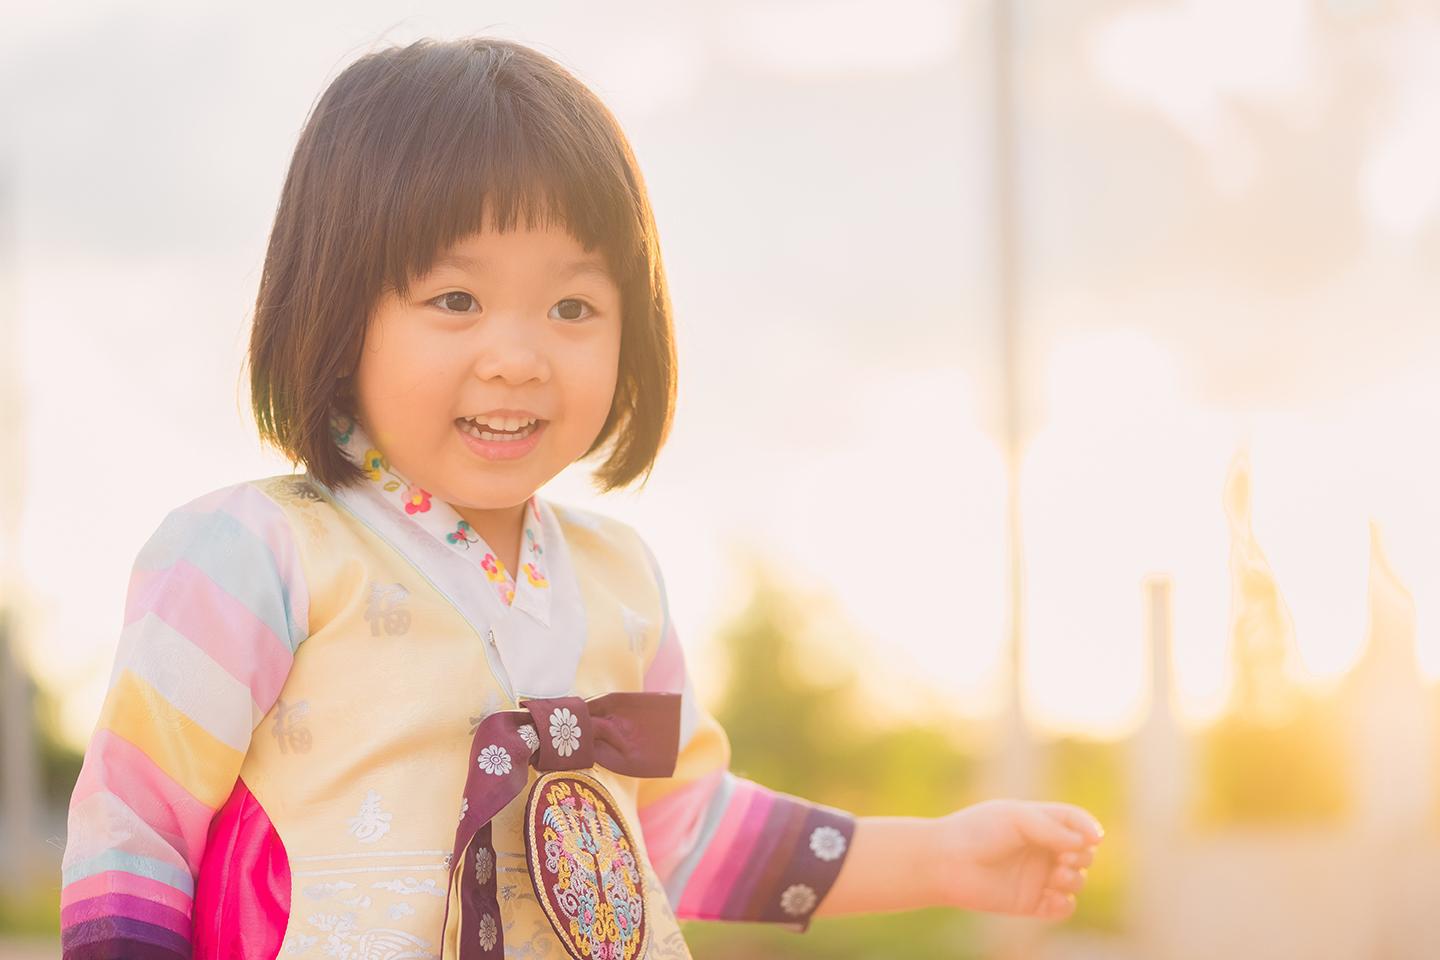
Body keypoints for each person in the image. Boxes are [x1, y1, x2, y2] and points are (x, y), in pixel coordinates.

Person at [60, 38, 1102, 960]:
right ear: (336, 305)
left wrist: (938, 859)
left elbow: (685, 831)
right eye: (456, 300)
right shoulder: (256, 553)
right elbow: (135, 825)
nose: (517, 358)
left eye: (572, 305)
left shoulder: (618, 581)